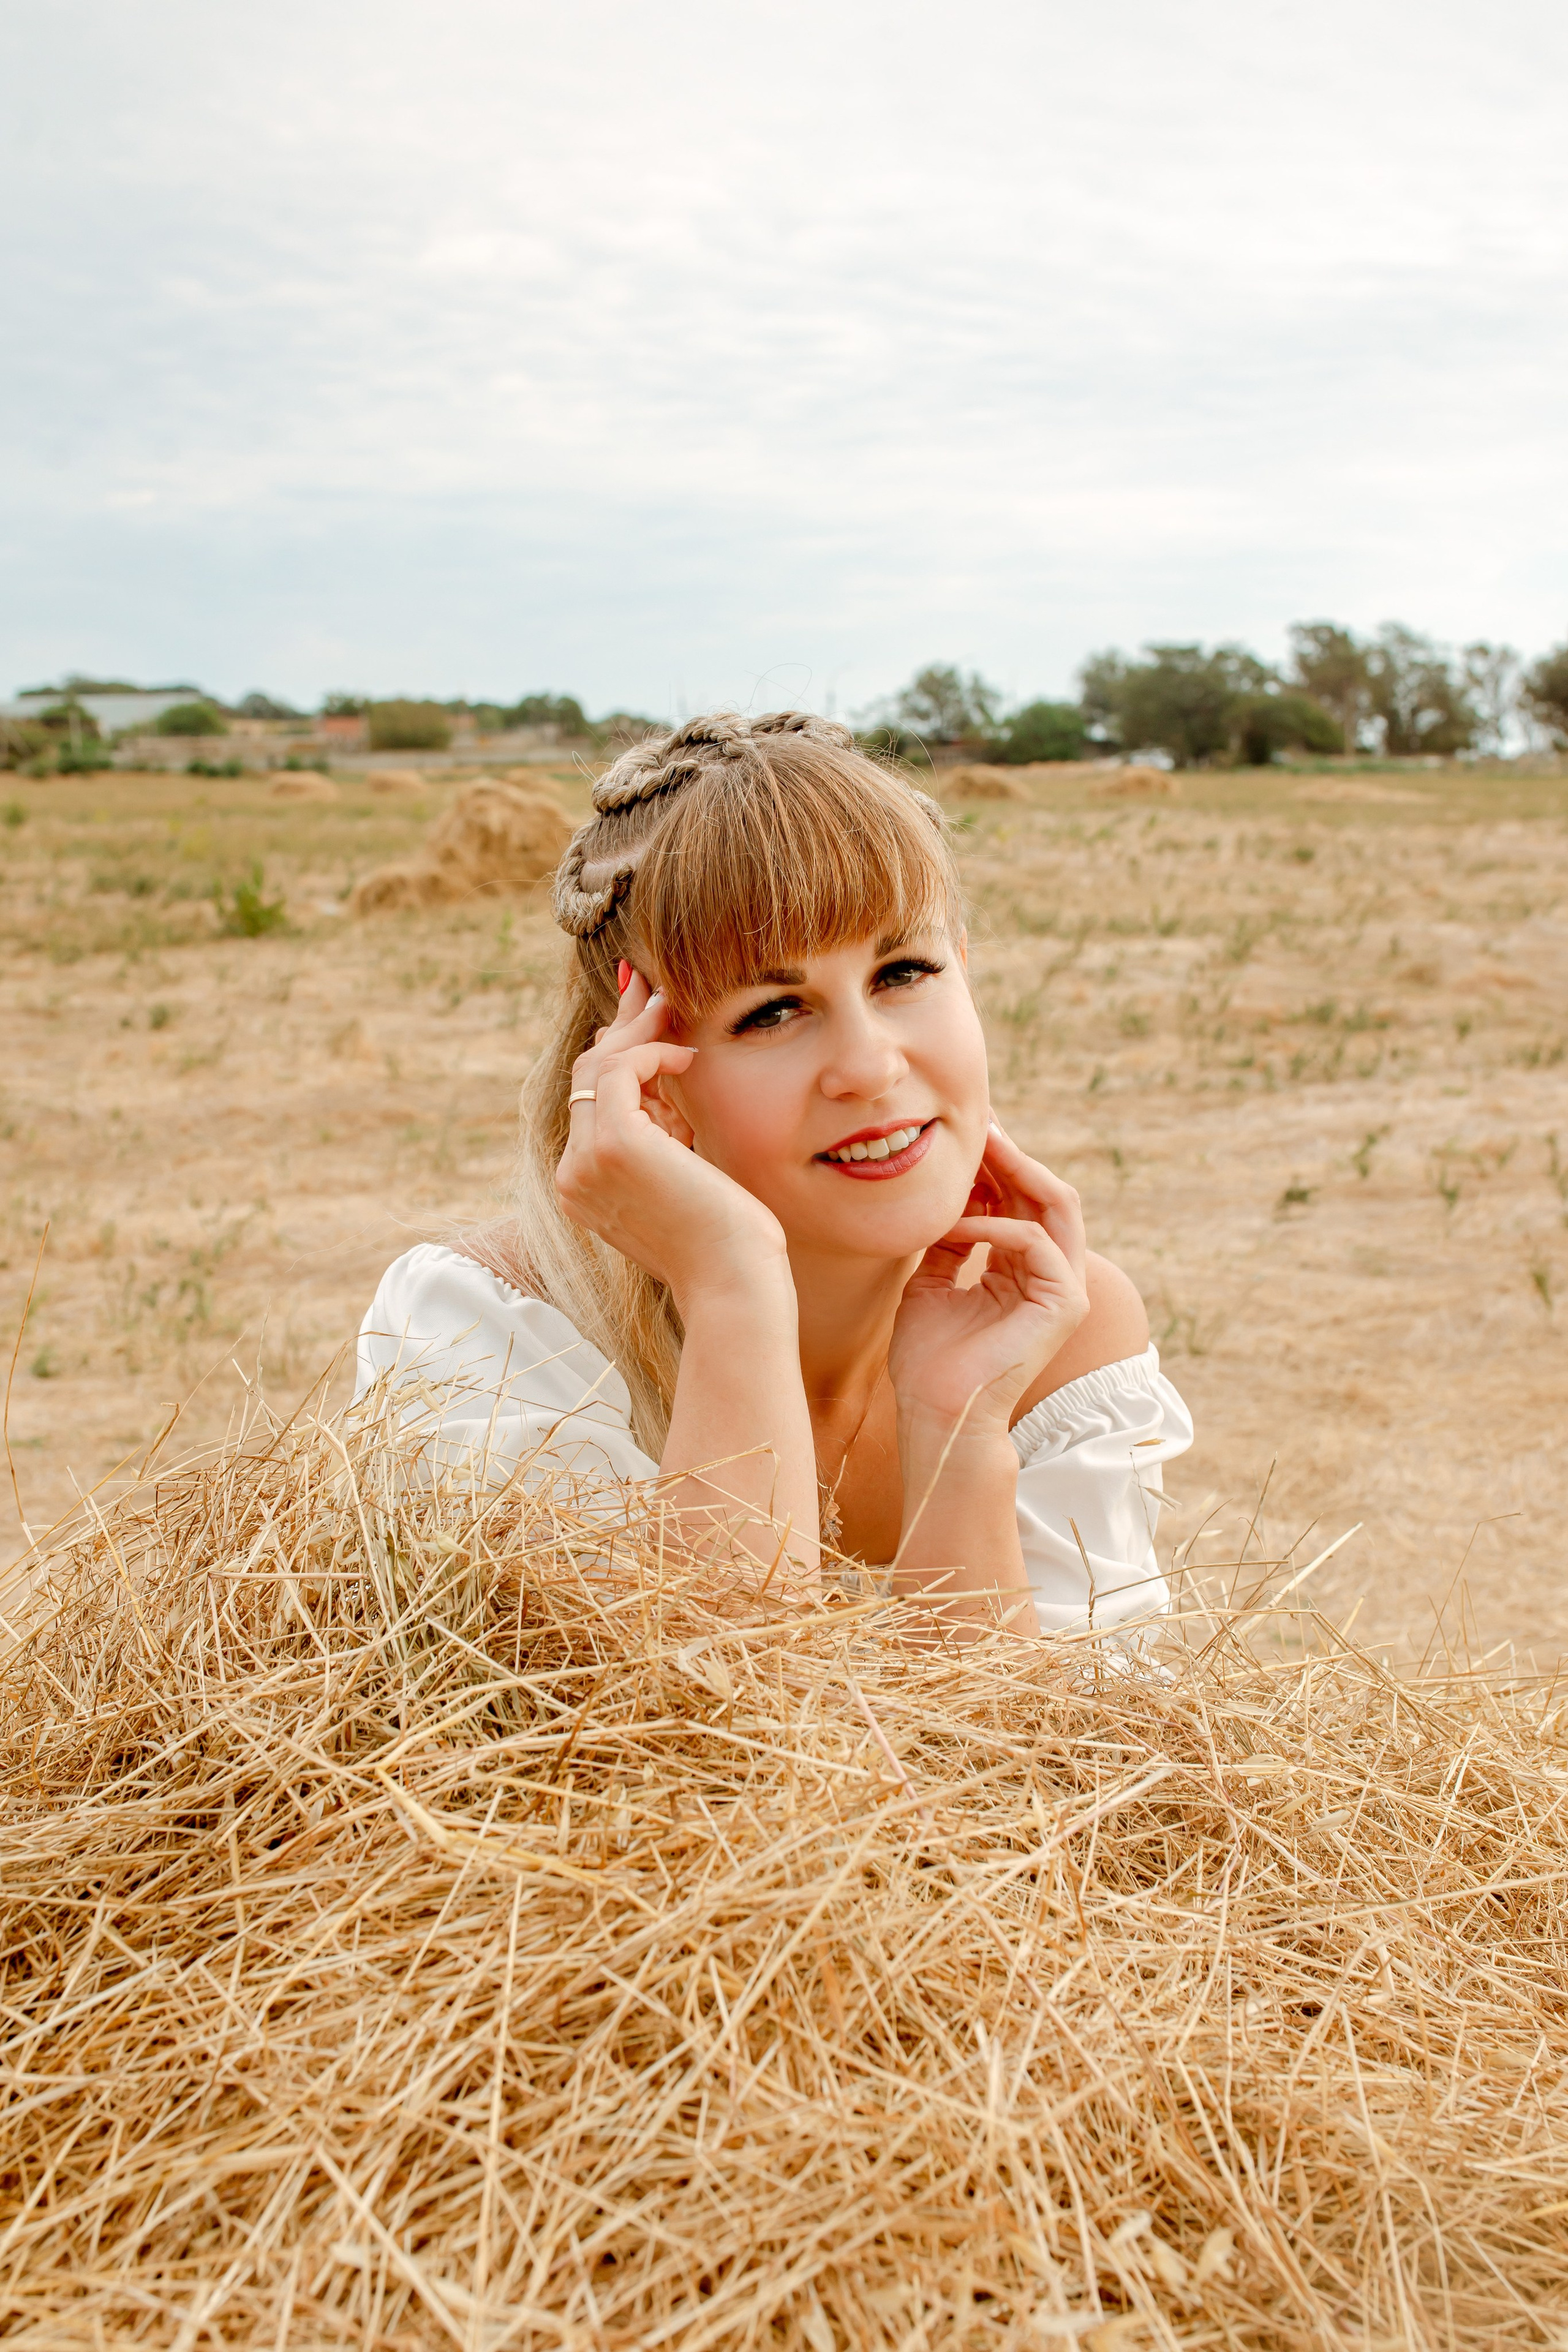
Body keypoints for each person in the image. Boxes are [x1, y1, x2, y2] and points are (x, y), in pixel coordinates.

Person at [356, 710, 1191, 1639]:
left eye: (904, 971)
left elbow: (1045, 1775)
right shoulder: (499, 1337)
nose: (871, 1068)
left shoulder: (1058, 1332)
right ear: (651, 1078)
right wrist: (731, 1288)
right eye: (772, 1013)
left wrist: (957, 1433)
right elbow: (693, 1745)